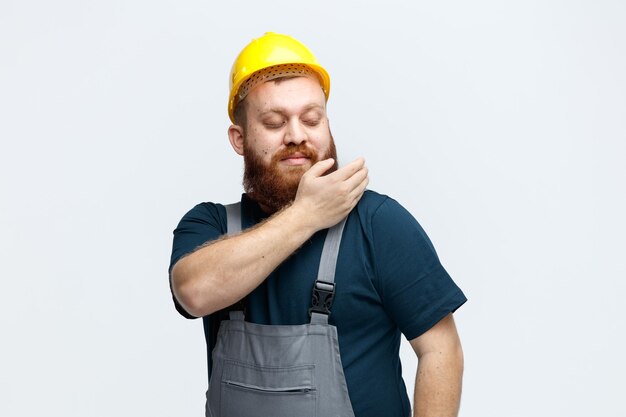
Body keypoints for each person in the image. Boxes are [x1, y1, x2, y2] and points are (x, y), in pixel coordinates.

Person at [169, 32, 467, 417]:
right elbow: (193, 292)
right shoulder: (210, 225)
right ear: (239, 139)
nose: (297, 135)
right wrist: (306, 214)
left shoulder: (379, 225)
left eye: (311, 119)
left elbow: (442, 350)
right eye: (275, 122)